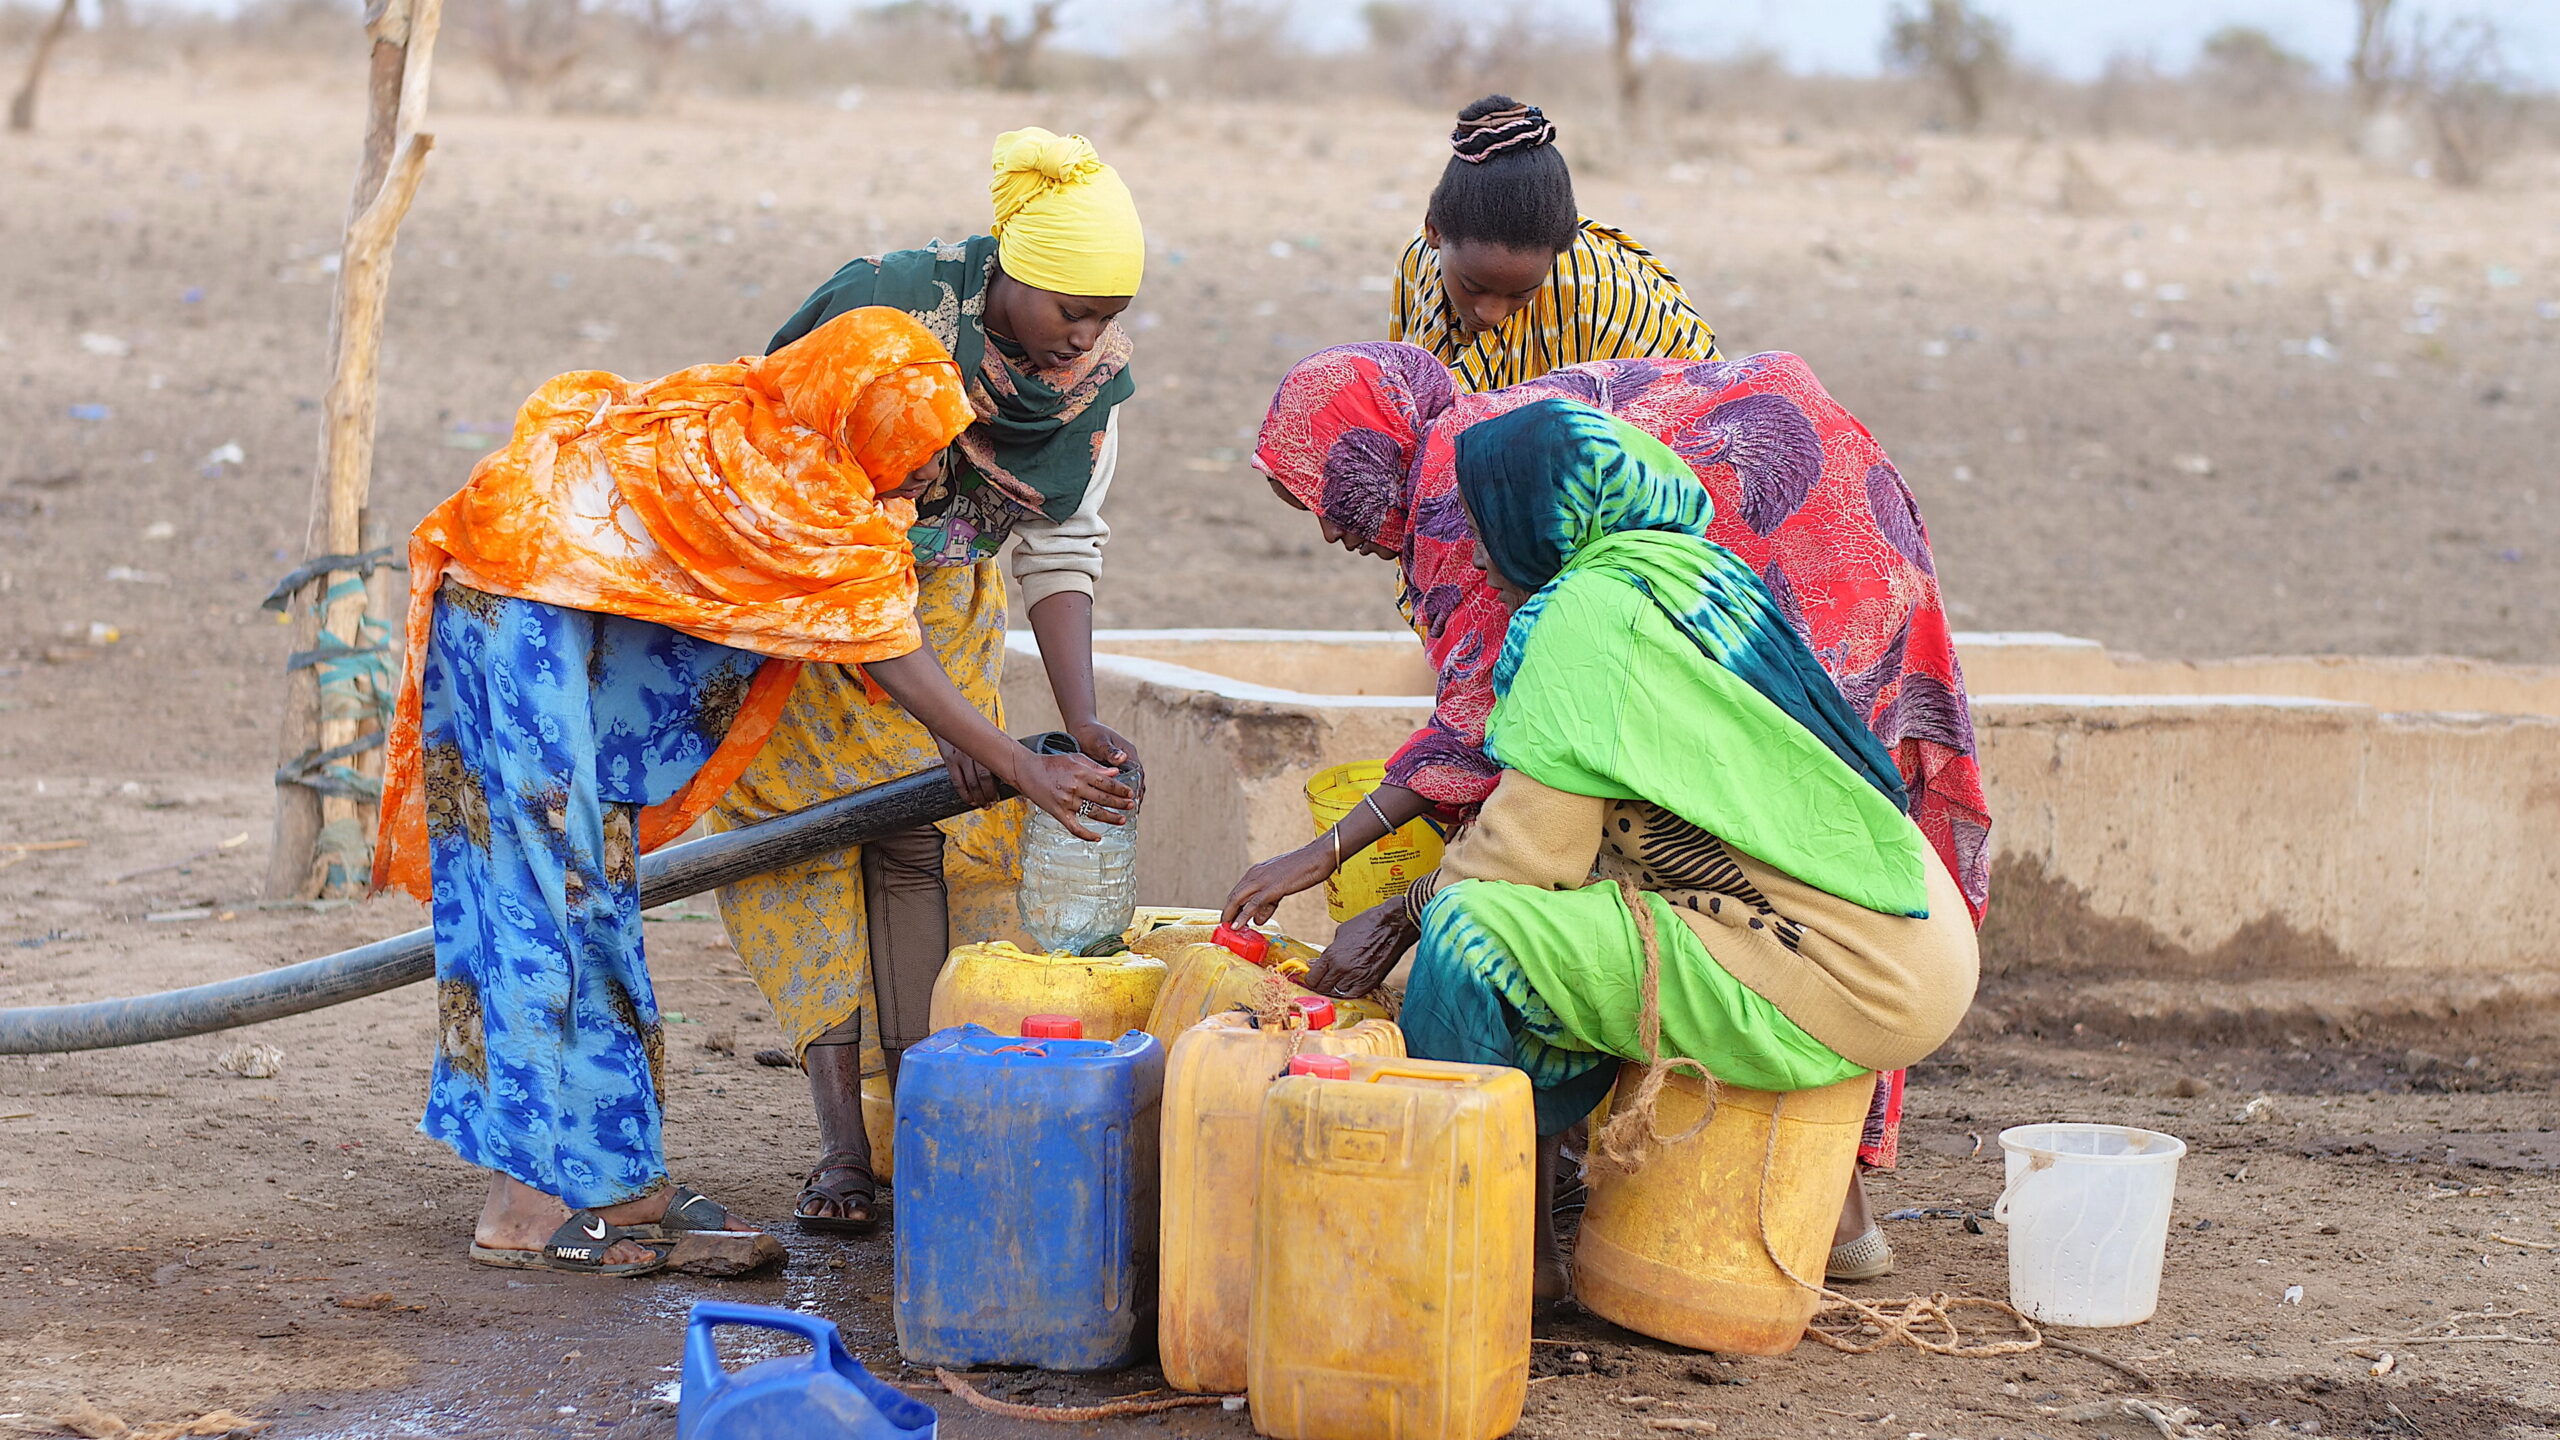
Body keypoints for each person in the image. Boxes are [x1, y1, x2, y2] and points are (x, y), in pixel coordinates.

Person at [372, 307, 1135, 1276]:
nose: (921, 479)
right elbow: (885, 642)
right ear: (861, 423)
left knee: (597, 896)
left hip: (558, 611)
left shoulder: (809, 441)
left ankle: (615, 1179)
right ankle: (519, 1211)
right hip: (516, 606)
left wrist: (973, 738)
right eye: (910, 455)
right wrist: (1021, 766)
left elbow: (871, 609)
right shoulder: (789, 480)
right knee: (541, 907)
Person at [1227, 341, 1989, 1280]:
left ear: (1537, 521)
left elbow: (1523, 854)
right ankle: (1564, 1248)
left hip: (1845, 975)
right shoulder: (1688, 574)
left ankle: (1476, 1246)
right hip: (1914, 943)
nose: (1475, 549)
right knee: (1573, 910)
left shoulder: (1582, 619)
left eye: (1486, 524)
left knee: (1474, 935)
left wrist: (1404, 914)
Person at [714, 128, 1147, 1234]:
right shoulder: (886, 319)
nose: (1086, 340)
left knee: (921, 843)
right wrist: (1005, 756)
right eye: (1069, 311)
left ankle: (918, 1128)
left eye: (1108, 316)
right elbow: (820, 542)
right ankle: (840, 1154)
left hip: (941, 616)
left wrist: (1077, 720)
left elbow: (1060, 544)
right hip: (805, 619)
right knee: (803, 858)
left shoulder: (1082, 397)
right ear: (1008, 268)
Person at [1391, 95, 1720, 394]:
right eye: (1472, 287)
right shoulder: (1417, 261)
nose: (1489, 314)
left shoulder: (1606, 299)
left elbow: (1705, 415)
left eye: (1521, 294)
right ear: (1434, 230)